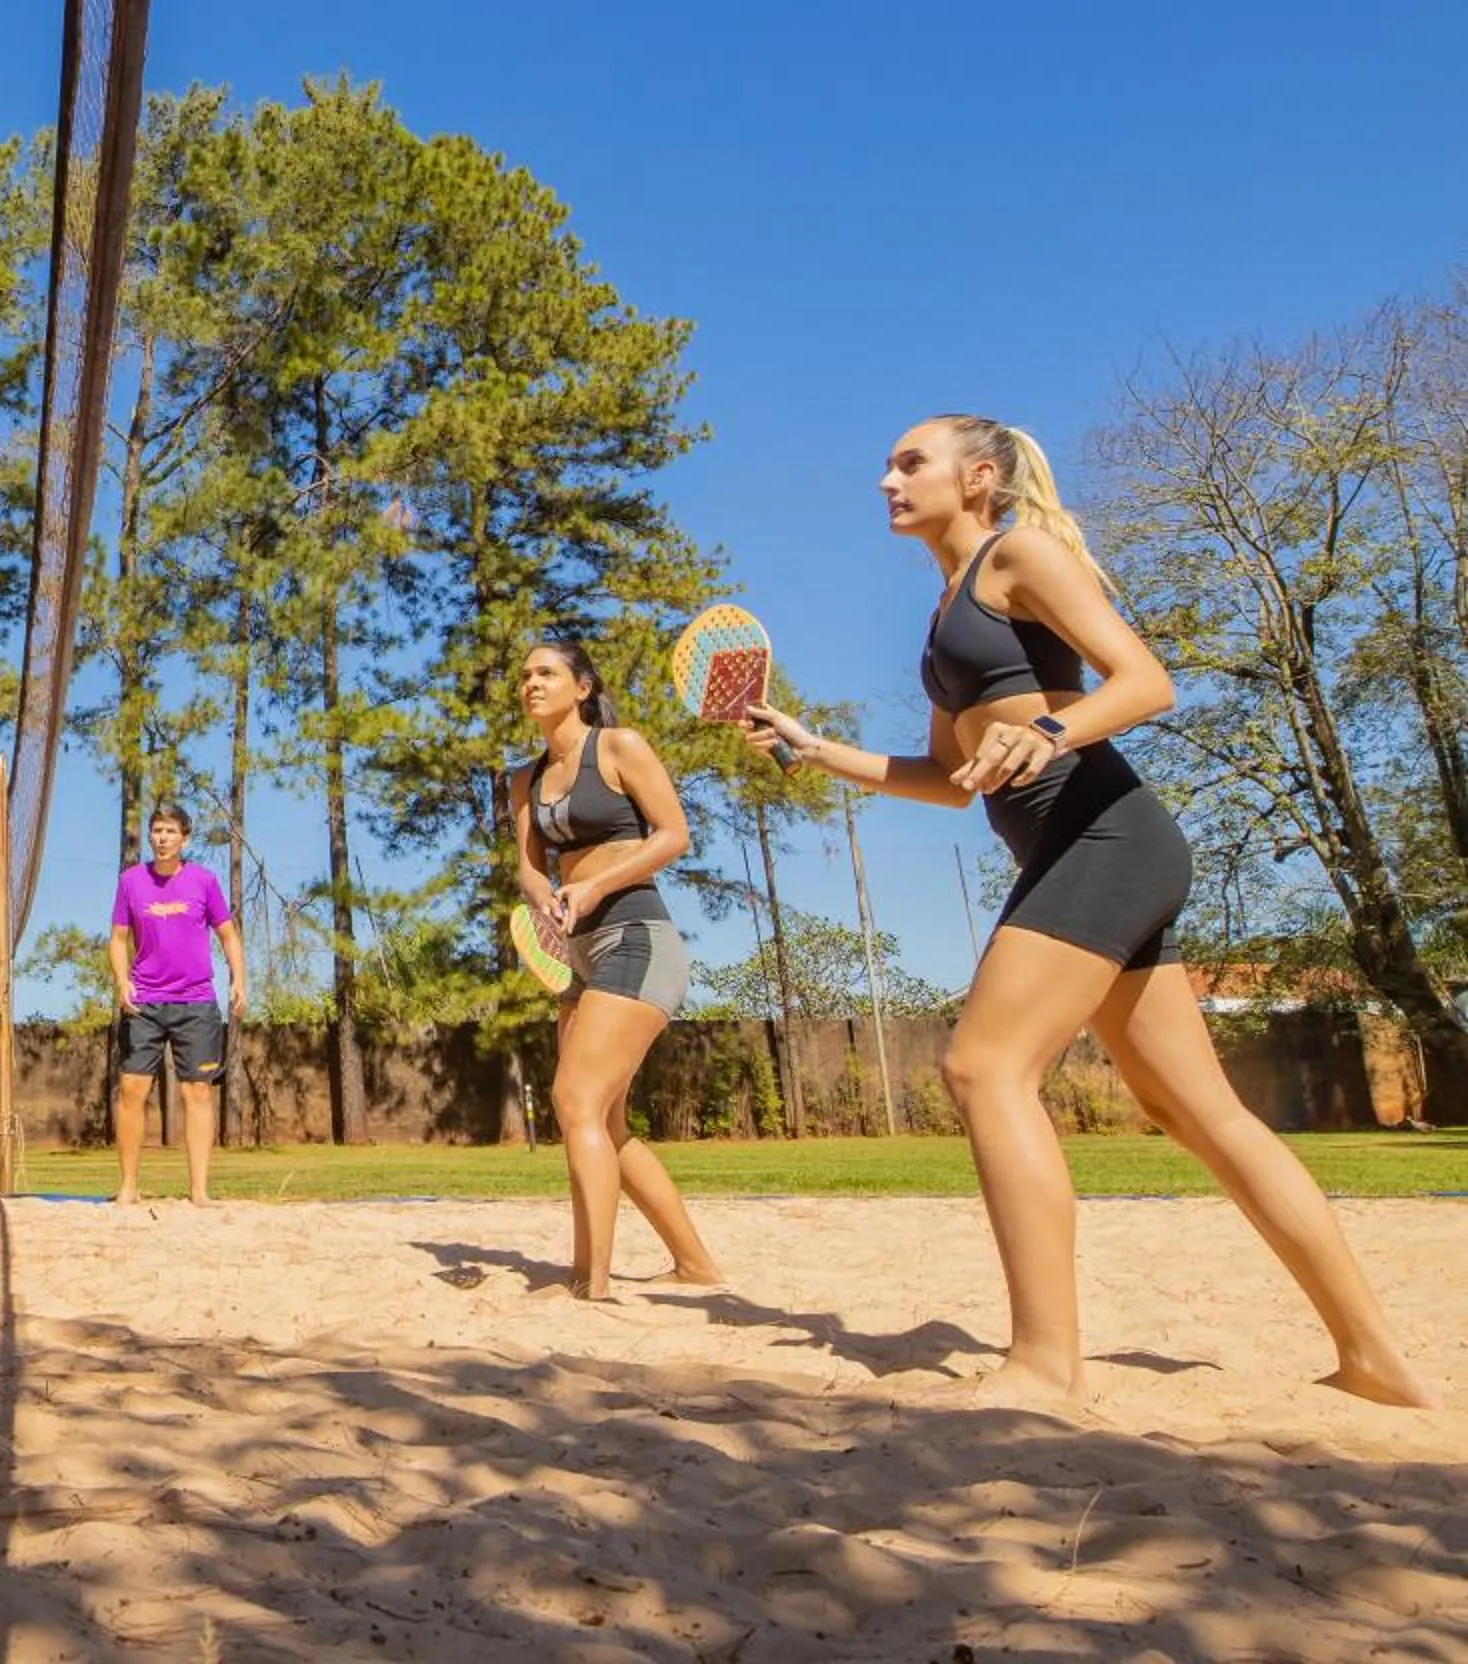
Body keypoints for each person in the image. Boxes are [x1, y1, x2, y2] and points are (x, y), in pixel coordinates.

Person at [742, 413, 1437, 1408]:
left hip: (1107, 838)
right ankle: (1375, 1358)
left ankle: (1044, 1362)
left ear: (978, 476)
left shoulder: (1015, 555)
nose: (885, 478)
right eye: (887, 462)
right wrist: (816, 748)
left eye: (909, 461)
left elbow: (1148, 679)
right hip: (1076, 849)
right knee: (1197, 1111)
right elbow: (948, 779)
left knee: (983, 1065)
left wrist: (1052, 732)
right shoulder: (944, 614)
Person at [508, 641, 724, 1300]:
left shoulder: (620, 746)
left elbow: (674, 834)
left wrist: (597, 888)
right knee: (604, 1120)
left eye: (545, 672)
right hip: (579, 950)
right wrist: (543, 897)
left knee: (575, 1102)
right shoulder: (524, 778)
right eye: (523, 675)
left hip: (637, 937)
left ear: (583, 686)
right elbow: (527, 865)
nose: (530, 683)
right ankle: (696, 1266)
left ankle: (590, 1281)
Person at [107, 803, 248, 1208]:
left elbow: (229, 936)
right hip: (144, 1004)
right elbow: (118, 939)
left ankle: (200, 1191)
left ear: (185, 838)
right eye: (157, 830)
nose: (162, 838)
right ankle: (129, 1186)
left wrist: (239, 979)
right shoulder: (131, 882)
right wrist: (122, 982)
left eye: (170, 831)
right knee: (132, 1090)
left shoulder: (204, 881)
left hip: (196, 1003)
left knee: (198, 1092)